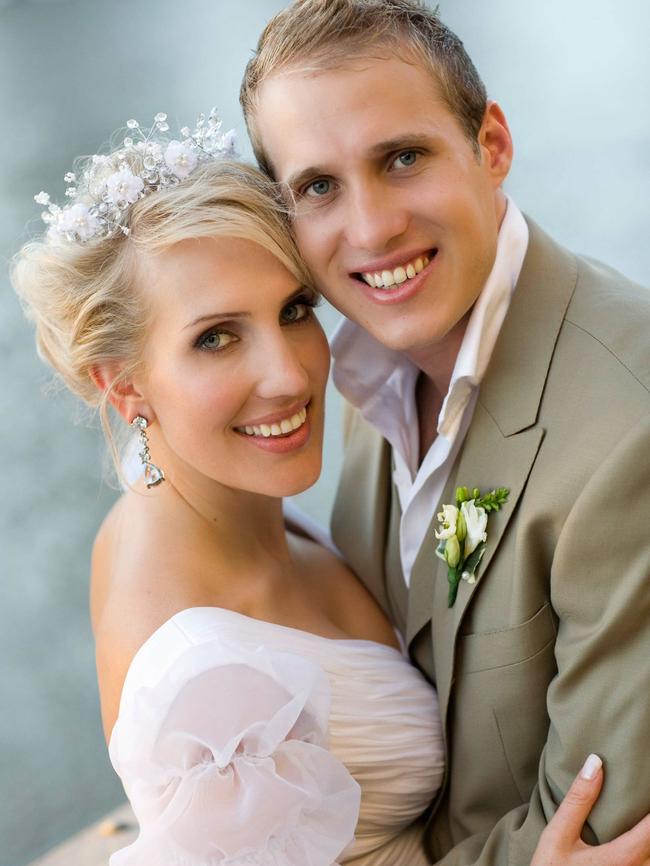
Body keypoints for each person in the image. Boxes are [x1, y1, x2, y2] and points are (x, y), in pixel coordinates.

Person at [12, 109, 648, 865]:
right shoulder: (204, 687)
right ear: (124, 388)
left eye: (293, 311)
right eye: (215, 338)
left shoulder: (190, 512)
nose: (291, 375)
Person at [237, 1, 650, 864]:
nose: (373, 227)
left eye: (403, 158)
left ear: (491, 145)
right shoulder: (355, 376)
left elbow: (598, 829)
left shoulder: (630, 428)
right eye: (318, 186)